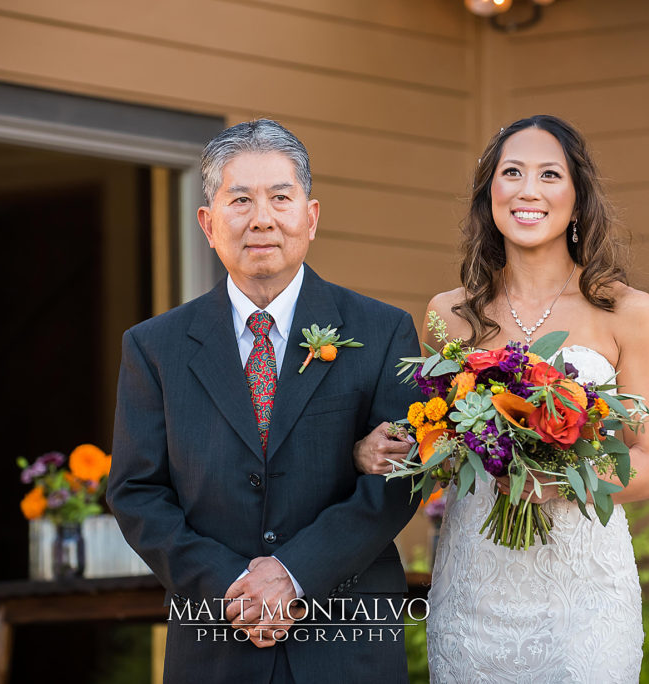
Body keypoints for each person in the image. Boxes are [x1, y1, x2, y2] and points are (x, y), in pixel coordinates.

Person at [355, 114, 649, 682]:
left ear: (577, 199)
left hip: (585, 594)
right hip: (475, 585)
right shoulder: (448, 314)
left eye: (550, 174)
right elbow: (440, 445)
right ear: (490, 195)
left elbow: (647, 465)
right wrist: (388, 452)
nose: (529, 190)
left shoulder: (628, 311)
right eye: (512, 173)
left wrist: (553, 480)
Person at [107, 118, 422, 684]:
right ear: (207, 222)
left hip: (347, 638)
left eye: (281, 197)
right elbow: (137, 493)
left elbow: (398, 478)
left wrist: (293, 574)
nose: (262, 219)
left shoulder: (382, 331)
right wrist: (233, 586)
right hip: (216, 639)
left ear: (311, 215)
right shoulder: (154, 347)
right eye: (241, 200)